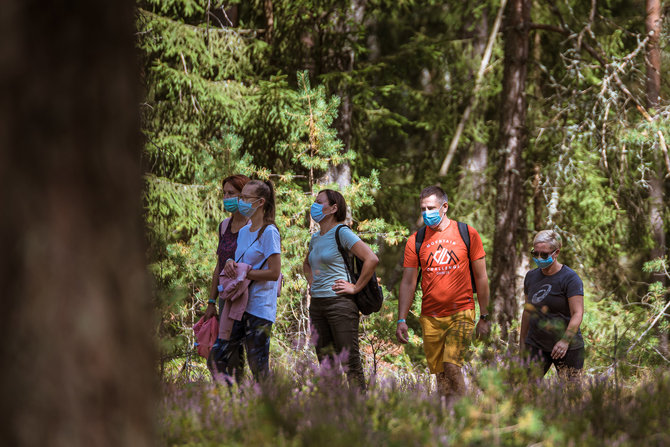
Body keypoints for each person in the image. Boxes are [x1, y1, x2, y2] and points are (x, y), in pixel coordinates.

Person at [396, 185, 491, 401]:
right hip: (430, 317)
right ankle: (448, 421)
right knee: (440, 375)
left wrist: (484, 316)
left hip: (461, 313)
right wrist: (401, 318)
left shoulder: (467, 233)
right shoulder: (416, 240)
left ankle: (465, 412)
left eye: (431, 208)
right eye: (423, 209)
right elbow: (408, 282)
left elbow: (482, 277)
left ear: (444, 207)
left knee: (452, 365)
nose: (426, 213)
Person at [303, 189, 379, 390]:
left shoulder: (342, 232)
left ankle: (358, 411)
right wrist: (313, 283)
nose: (315, 206)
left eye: (320, 202)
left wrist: (355, 288)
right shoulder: (315, 238)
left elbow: (371, 258)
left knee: (350, 361)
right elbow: (307, 264)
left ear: (333, 208)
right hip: (317, 306)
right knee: (326, 364)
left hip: (340, 304)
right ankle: (334, 413)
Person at [210, 179, 282, 382]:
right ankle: (237, 404)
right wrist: (232, 263)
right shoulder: (242, 232)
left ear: (260, 202)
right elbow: (241, 260)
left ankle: (269, 408)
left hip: (260, 307)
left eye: (244, 198)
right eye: (240, 198)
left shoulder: (269, 232)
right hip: (238, 305)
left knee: (258, 365)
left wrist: (245, 273)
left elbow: (274, 272)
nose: (240, 202)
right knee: (221, 358)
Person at [519, 230, 584, 380]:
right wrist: (522, 342)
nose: (539, 258)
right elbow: (528, 311)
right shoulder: (531, 276)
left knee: (571, 394)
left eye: (544, 255)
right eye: (535, 254)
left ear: (556, 253)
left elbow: (578, 313)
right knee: (525, 391)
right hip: (536, 345)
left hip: (567, 348)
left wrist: (565, 341)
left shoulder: (570, 279)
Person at [203, 174, 250, 381]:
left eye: (232, 193)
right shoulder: (224, 226)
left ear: (244, 196)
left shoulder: (255, 226)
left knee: (238, 351)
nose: (226, 197)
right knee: (222, 354)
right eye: (224, 193)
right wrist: (211, 301)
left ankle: (239, 397)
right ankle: (231, 398)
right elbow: (218, 266)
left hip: (248, 297)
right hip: (225, 297)